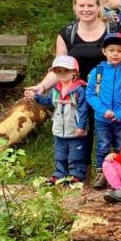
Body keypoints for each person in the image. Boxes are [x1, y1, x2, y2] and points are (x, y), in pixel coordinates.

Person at [85, 33, 121, 188]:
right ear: (104, 52)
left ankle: (120, 174)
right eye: (111, 50)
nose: (115, 54)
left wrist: (120, 114)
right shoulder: (98, 72)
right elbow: (90, 95)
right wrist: (104, 111)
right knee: (103, 146)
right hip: (102, 119)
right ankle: (101, 174)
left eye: (119, 51)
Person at [26, 55, 90, 184]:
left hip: (75, 129)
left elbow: (83, 110)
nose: (62, 74)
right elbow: (48, 102)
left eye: (66, 71)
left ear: (74, 72)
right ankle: (59, 174)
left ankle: (75, 176)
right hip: (59, 129)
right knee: (59, 153)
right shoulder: (56, 89)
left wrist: (81, 126)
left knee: (75, 155)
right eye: (58, 71)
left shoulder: (79, 90)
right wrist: (36, 96)